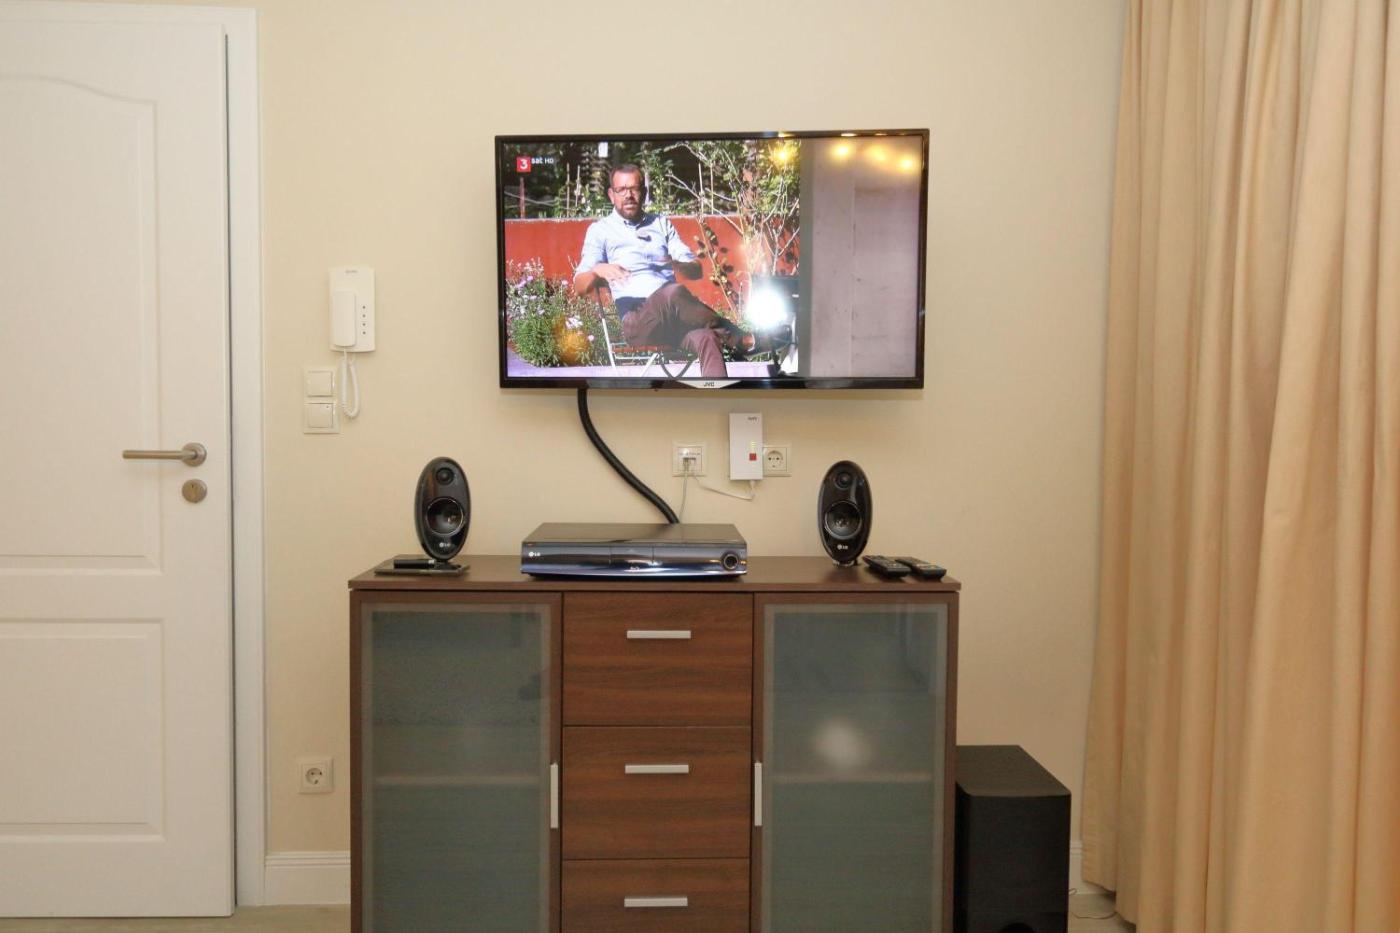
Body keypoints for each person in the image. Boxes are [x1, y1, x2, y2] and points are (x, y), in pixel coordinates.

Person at [573, 164, 772, 378]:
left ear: (644, 192)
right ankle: (740, 339)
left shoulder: (661, 224)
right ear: (611, 195)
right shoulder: (601, 231)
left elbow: (696, 270)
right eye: (621, 190)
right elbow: (579, 286)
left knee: (706, 337)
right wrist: (598, 270)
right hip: (639, 323)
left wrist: (677, 265)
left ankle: (715, 395)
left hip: (675, 323)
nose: (628, 195)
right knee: (672, 292)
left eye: (634, 188)